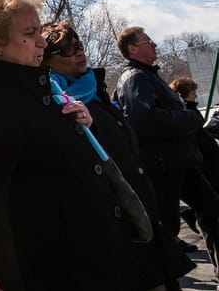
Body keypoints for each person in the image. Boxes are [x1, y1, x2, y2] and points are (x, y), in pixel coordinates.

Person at [0, 0, 132, 291]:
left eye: (39, 31)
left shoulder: (47, 93)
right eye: (30, 34)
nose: (41, 42)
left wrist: (84, 130)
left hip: (101, 268)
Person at [43, 20, 193, 290]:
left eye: (78, 44)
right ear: (46, 61)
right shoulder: (59, 105)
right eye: (66, 49)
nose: (79, 52)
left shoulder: (94, 90)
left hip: (143, 211)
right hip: (118, 228)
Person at [115, 27, 213, 262]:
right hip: (163, 166)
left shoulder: (148, 76)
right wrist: (190, 117)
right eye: (148, 42)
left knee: (212, 209)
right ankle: (163, 273)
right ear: (133, 48)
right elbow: (143, 118)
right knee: (166, 227)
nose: (155, 45)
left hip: (180, 162)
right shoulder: (135, 78)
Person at [168, 76, 219, 260]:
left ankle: (189, 213)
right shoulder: (186, 114)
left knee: (210, 207)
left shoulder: (188, 112)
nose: (196, 95)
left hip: (204, 161)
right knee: (210, 210)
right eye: (193, 92)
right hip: (202, 164)